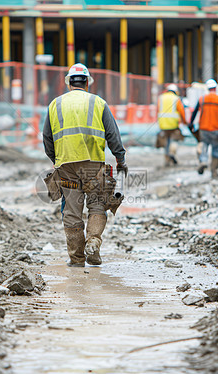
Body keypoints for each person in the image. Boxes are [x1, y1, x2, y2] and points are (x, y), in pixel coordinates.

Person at [42, 63, 127, 267]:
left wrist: (57, 160)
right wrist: (120, 159)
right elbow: (113, 135)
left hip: (66, 165)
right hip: (93, 164)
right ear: (87, 82)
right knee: (98, 205)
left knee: (71, 211)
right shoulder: (98, 103)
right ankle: (94, 241)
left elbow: (47, 138)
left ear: (69, 83)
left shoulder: (55, 104)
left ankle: (77, 259)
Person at [188, 79, 218, 180]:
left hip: (203, 129)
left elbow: (194, 112)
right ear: (215, 88)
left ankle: (203, 161)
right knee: (216, 150)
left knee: (203, 146)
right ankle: (214, 171)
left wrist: (190, 124)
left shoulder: (202, 99)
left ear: (208, 89)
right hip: (216, 129)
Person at [156, 84, 187, 166]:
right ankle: (172, 153)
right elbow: (181, 111)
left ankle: (167, 158)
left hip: (163, 123)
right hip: (173, 123)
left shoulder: (161, 97)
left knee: (166, 141)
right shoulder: (176, 98)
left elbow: (158, 109)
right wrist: (185, 121)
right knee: (174, 139)